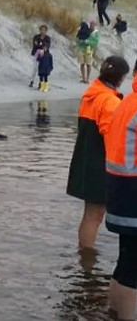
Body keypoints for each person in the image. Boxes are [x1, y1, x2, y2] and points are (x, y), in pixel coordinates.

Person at [66, 56, 129, 251]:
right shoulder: (109, 101)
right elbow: (112, 138)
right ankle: (87, 258)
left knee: (90, 214)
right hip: (100, 164)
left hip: (85, 160)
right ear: (120, 78)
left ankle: (85, 259)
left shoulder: (89, 95)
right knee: (95, 215)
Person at [105, 59, 137, 321]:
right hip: (133, 193)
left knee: (125, 261)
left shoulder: (126, 101)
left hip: (119, 190)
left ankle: (113, 313)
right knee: (133, 269)